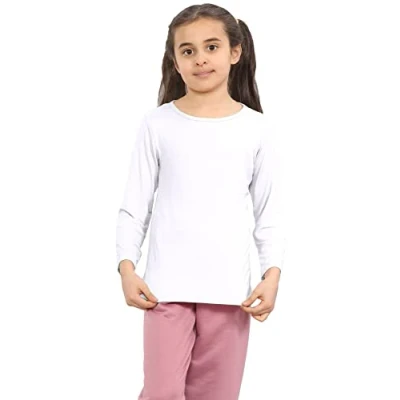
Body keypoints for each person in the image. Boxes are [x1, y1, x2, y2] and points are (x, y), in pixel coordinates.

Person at [116, 3, 286, 399]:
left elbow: (269, 212)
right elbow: (134, 205)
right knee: (161, 392)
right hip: (164, 291)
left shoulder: (256, 128)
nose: (200, 59)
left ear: (235, 52)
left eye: (211, 47)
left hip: (229, 293)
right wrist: (126, 266)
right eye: (188, 50)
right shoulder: (157, 124)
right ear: (175, 61)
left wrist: (272, 274)